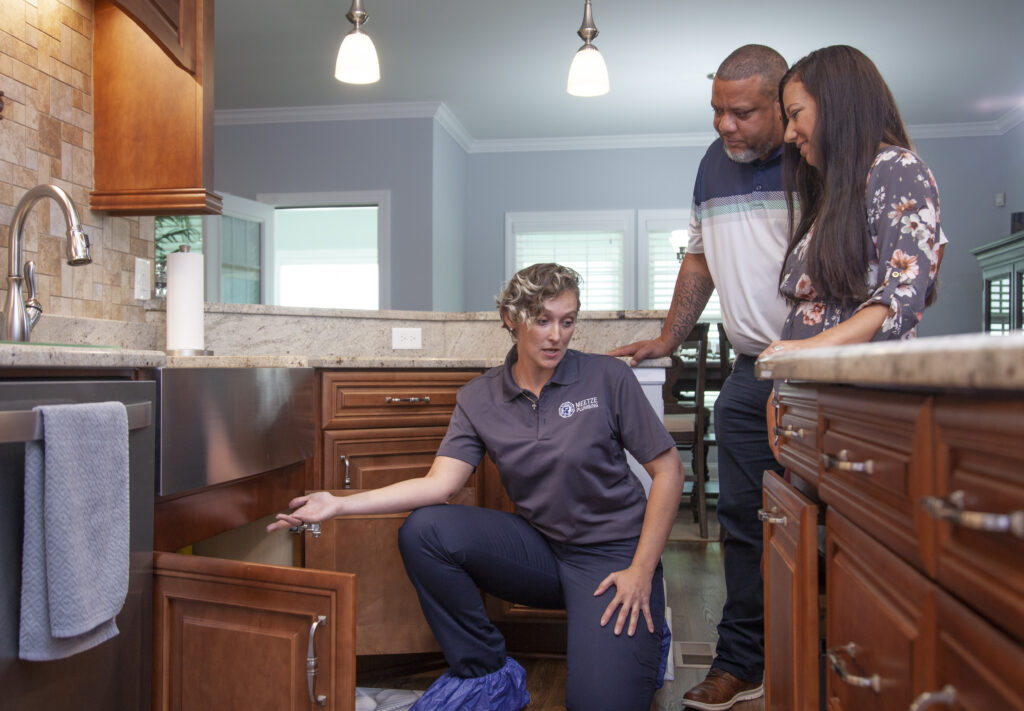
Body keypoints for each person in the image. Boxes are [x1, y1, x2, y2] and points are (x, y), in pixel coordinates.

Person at [269, 263, 684, 711]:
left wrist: (641, 570)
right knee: (425, 531)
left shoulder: (607, 377)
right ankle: (487, 670)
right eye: (542, 320)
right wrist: (339, 504)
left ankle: (641, 642)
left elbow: (669, 471)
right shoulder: (479, 397)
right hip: (543, 550)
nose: (556, 336)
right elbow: (438, 485)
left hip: (612, 558)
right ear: (512, 318)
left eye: (567, 321)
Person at [609, 44, 790, 710]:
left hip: (815, 370)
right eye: (715, 109)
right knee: (739, 517)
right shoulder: (713, 164)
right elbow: (699, 259)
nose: (724, 126)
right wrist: (668, 337)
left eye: (740, 112)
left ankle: (834, 654)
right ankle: (743, 661)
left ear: (781, 102)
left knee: (824, 521)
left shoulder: (817, 158)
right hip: (749, 374)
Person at [759, 44, 945, 379]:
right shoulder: (838, 191)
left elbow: (901, 297)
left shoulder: (896, 168)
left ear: (836, 105)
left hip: (858, 390)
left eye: (795, 114)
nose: (788, 134)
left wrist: (810, 348)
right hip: (811, 392)